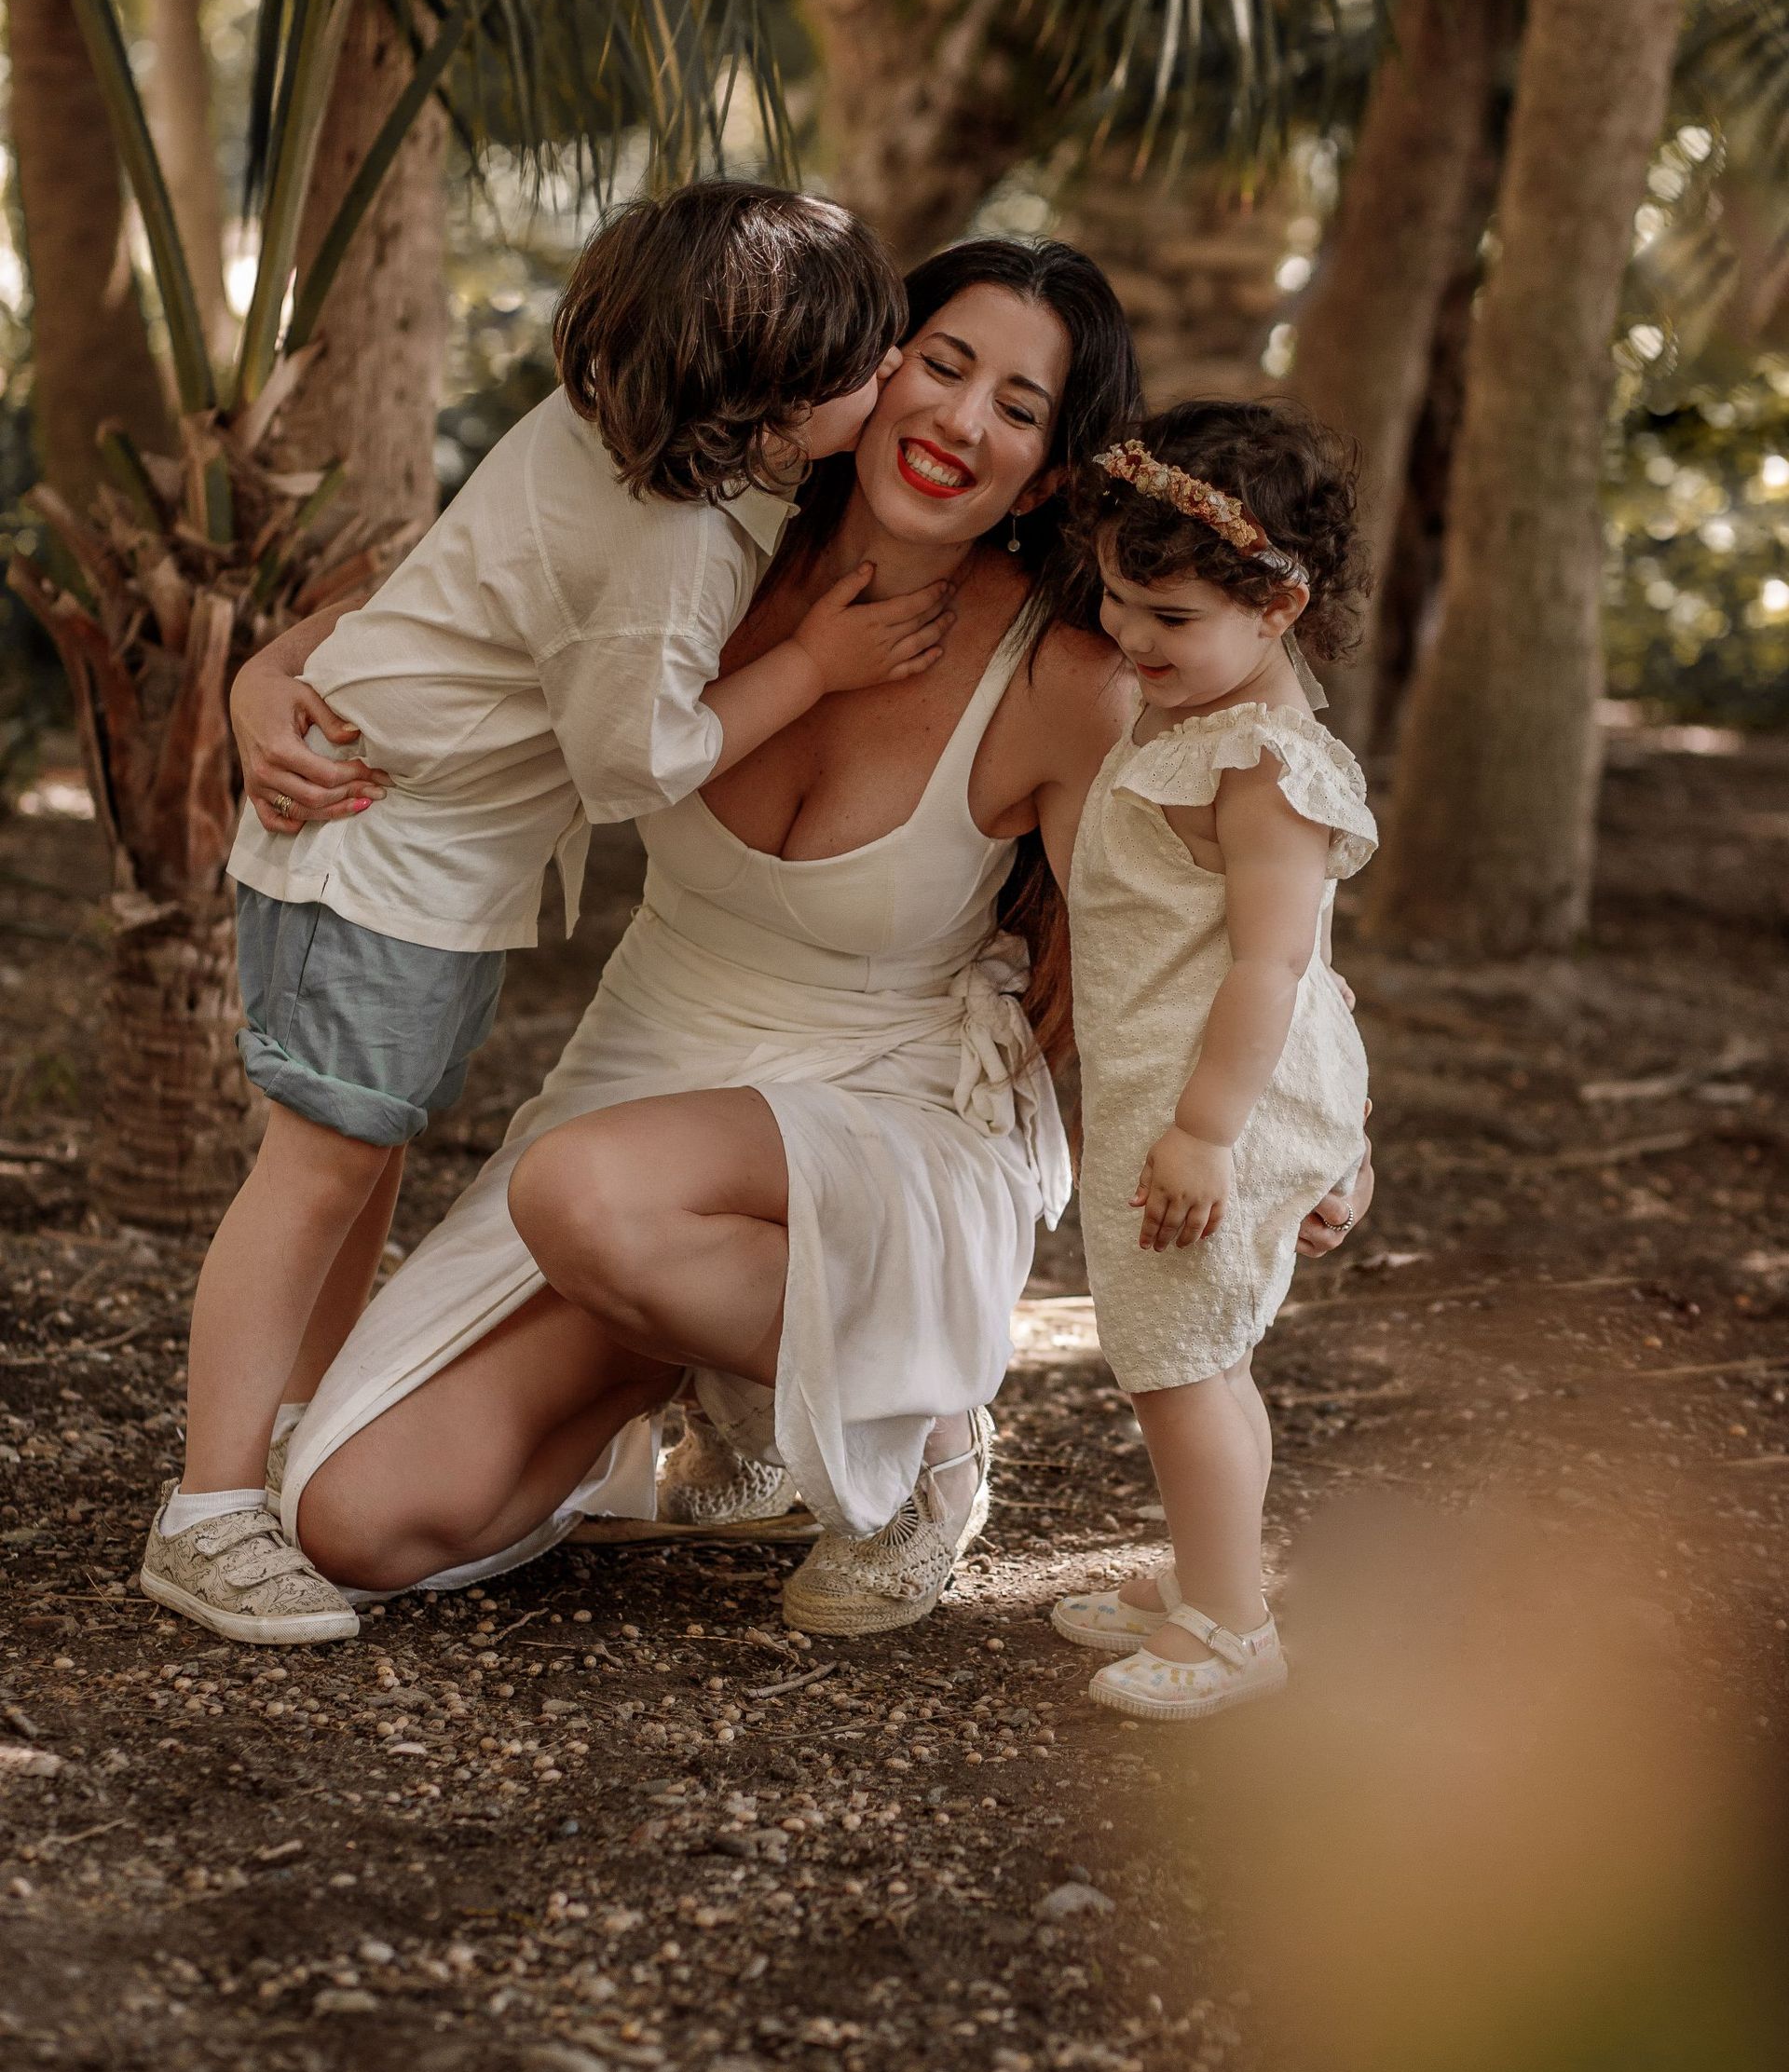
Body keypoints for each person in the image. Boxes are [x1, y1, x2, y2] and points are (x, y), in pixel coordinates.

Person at [239, 244, 1370, 1637]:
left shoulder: (1069, 678)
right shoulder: (706, 540)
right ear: (871, 367)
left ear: (1056, 468)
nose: (961, 423)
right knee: (352, 1519)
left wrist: (1314, 1125)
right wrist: (267, 676)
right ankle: (729, 1367)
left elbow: (1213, 925)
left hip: (901, 1103)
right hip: (659, 1065)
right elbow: (455, 601)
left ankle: (928, 1435)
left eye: (1019, 407)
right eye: (942, 366)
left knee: (587, 1196)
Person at [140, 182, 940, 1646]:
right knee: (315, 1176)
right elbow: (638, 766)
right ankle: (206, 1511)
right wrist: (817, 667)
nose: (890, 381)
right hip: (381, 856)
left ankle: (308, 1426)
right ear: (762, 407)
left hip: (411, 860)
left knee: (360, 1165)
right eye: (863, 367)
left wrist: (271, 669)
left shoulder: (608, 427)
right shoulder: (670, 546)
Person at [1048, 402, 1377, 1721]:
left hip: (1208, 1103)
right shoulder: (1204, 720)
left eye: (1169, 617)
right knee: (1193, 1358)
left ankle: (1236, 1627)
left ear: (1279, 605)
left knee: (1181, 1364)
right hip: (1179, 1087)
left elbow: (1278, 969)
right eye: (1120, 600)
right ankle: (1208, 1574)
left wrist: (1208, 1134)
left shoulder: (1262, 769)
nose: (1130, 636)